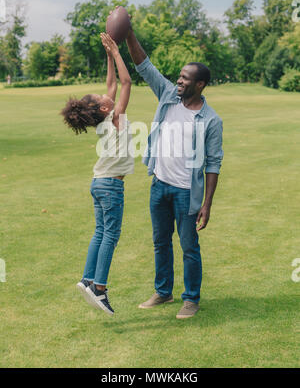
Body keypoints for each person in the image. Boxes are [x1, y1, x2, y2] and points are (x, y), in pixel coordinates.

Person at [125, 23, 224, 319]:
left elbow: (214, 164)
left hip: (187, 193)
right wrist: (129, 33)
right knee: (160, 241)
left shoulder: (211, 120)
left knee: (189, 247)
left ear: (200, 84)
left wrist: (207, 203)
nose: (178, 81)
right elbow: (144, 65)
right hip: (160, 185)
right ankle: (163, 292)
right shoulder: (168, 95)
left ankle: (191, 299)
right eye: (179, 77)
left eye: (185, 78)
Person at [60, 33, 134, 316]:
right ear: (105, 107)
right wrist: (116, 52)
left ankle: (87, 279)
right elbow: (125, 83)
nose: (107, 93)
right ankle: (99, 288)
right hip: (111, 187)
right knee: (110, 235)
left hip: (98, 182)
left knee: (100, 231)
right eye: (103, 97)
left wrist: (107, 54)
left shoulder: (106, 117)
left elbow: (112, 83)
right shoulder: (115, 117)